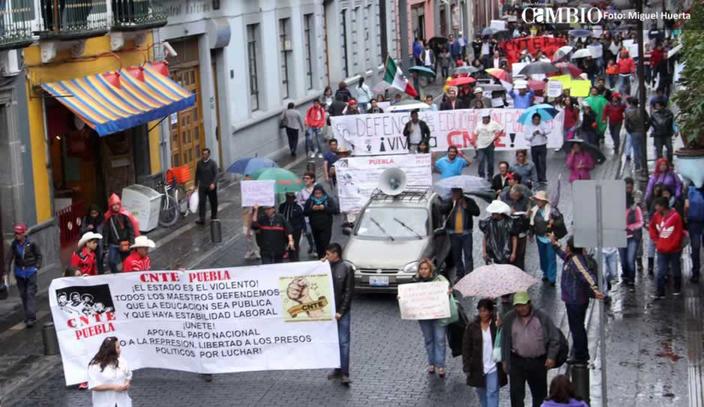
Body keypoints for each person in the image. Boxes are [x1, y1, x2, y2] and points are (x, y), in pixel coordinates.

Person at [501, 291, 563, 407]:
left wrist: (551, 357)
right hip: (517, 361)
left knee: (539, 395)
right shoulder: (509, 318)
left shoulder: (542, 317)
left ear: (529, 303)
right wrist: (505, 359)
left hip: (538, 362)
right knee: (516, 395)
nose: (521, 308)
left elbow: (555, 338)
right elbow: (504, 340)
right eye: (518, 306)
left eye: (524, 305)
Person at [550, 235, 604, 363]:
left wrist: (595, 290)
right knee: (576, 327)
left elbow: (587, 276)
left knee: (577, 328)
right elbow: (563, 255)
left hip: (576, 301)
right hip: (572, 300)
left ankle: (581, 355)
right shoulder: (572, 258)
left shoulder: (576, 261)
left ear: (571, 248)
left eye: (567, 246)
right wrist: (554, 245)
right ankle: (579, 351)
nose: (565, 248)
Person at [408, 259, 450, 377]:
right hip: (424, 316)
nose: (423, 271)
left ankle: (440, 365)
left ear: (430, 269)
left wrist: (448, 292)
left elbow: (448, 289)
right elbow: (410, 298)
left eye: (425, 268)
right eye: (421, 269)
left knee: (440, 339)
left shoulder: (440, 280)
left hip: (439, 315)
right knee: (429, 339)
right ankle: (431, 363)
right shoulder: (415, 283)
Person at [463, 298, 507, 407]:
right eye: (480, 311)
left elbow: (505, 340)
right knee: (481, 392)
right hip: (478, 366)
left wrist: (500, 327)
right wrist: (467, 366)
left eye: (485, 310)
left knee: (492, 392)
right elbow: (466, 347)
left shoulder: (497, 324)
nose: (483, 313)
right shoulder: (472, 326)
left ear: (490, 311)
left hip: (493, 366)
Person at [325, 243, 354, 385]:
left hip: (341, 312)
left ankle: (345, 372)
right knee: (334, 342)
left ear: (336, 254)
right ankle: (337, 369)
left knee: (343, 342)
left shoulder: (347, 269)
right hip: (329, 311)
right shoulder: (325, 267)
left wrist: (341, 311)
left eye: (328, 254)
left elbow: (349, 292)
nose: (326, 256)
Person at [649, 196, 685, 299]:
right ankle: (660, 292)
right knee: (661, 271)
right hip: (662, 249)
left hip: (674, 249)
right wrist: (656, 240)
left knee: (675, 269)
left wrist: (673, 245)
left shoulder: (675, 217)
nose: (655, 207)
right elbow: (652, 228)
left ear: (663, 206)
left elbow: (678, 234)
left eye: (657, 205)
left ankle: (677, 287)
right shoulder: (656, 216)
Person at [441, 188, 480, 281]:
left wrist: (466, 206)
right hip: (453, 233)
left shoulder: (469, 201)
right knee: (456, 255)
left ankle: (469, 275)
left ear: (461, 192)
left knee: (468, 255)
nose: (455, 194)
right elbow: (442, 210)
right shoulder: (449, 201)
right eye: (453, 192)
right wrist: (451, 203)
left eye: (457, 192)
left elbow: (477, 212)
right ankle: (460, 274)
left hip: (466, 233)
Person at [7, 224, 41, 327]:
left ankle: (31, 317)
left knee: (30, 293)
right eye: (15, 233)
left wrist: (37, 266)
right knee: (23, 294)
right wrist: (6, 270)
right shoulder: (14, 244)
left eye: (19, 233)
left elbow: (39, 255)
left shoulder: (32, 243)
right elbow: (9, 257)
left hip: (30, 271)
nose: (17, 235)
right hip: (19, 273)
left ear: (24, 233)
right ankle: (28, 315)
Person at [88, 336, 132, 407]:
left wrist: (127, 383)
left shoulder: (122, 360)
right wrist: (113, 387)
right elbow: (93, 385)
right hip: (104, 403)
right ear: (111, 350)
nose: (120, 350)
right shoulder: (95, 365)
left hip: (122, 402)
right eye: (117, 348)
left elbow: (128, 375)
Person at [529, 191, 559, 285]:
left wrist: (553, 221)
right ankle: (545, 273)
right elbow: (531, 224)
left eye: (539, 200)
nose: (537, 201)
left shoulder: (552, 210)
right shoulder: (534, 210)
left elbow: (559, 223)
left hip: (550, 238)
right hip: (540, 237)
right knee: (543, 257)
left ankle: (552, 278)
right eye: (537, 200)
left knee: (551, 258)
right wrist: (531, 234)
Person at [103, 194, 136, 274]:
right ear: (111, 206)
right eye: (113, 205)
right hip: (113, 244)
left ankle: (125, 276)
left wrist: (131, 242)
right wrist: (105, 243)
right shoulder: (108, 217)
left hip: (124, 243)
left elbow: (130, 229)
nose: (116, 207)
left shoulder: (124, 215)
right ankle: (116, 275)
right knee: (111, 261)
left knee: (126, 262)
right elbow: (106, 231)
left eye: (117, 204)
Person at [304, 185, 338, 259]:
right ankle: (320, 260)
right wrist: (312, 209)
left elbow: (335, 210)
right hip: (315, 227)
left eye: (320, 193)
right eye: (316, 193)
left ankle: (326, 259)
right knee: (318, 244)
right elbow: (305, 212)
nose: (318, 195)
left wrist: (325, 208)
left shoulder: (328, 199)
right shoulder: (310, 201)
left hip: (326, 227)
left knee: (325, 244)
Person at [480, 200, 518, 265]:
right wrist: (484, 252)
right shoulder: (488, 222)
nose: (492, 214)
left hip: (506, 253)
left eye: (494, 212)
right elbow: (485, 237)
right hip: (491, 253)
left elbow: (514, 238)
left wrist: (513, 253)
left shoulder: (509, 222)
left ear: (499, 212)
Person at [621, 190, 644, 286]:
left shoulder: (635, 209)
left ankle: (631, 280)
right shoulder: (617, 209)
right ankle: (625, 276)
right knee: (623, 261)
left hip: (632, 238)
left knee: (630, 260)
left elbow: (640, 222)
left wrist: (630, 227)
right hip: (620, 238)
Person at [473, 111, 504, 180]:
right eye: (484, 118)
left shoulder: (494, 123)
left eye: (486, 118)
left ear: (489, 118)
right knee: (481, 160)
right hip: (480, 145)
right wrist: (474, 142)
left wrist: (497, 136)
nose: (485, 119)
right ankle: (481, 176)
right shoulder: (479, 124)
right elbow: (475, 133)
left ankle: (490, 175)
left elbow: (501, 129)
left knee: (490, 161)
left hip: (490, 144)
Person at [523, 113, 549, 186]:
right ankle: (537, 177)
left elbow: (548, 130)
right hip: (534, 146)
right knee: (535, 162)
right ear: (532, 120)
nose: (536, 121)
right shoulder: (529, 126)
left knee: (543, 161)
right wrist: (533, 134)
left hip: (542, 145)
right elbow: (526, 137)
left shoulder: (543, 124)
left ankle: (543, 177)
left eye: (538, 120)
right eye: (535, 120)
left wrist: (541, 132)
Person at [195, 148, 219, 225]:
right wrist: (195, 185)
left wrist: (213, 183)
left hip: (211, 186)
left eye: (205, 154)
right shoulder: (199, 163)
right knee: (202, 202)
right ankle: (202, 218)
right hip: (202, 186)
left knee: (213, 202)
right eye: (203, 154)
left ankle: (214, 216)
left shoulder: (213, 163)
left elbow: (216, 174)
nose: (204, 155)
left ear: (209, 154)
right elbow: (197, 174)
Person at [278, 192, 305, 261]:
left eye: (291, 198)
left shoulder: (298, 207)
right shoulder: (282, 206)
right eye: (288, 197)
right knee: (285, 245)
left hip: (295, 229)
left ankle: (295, 259)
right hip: (284, 229)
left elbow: (302, 219)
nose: (290, 199)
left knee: (294, 246)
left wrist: (304, 228)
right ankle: (289, 258)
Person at [686, 185, 704, 284]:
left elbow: (686, 206)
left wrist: (685, 217)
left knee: (695, 248)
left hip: (694, 222)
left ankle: (695, 274)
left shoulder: (689, 188)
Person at [296, 172, 317, 258]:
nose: (305, 180)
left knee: (315, 232)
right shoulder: (301, 191)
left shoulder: (316, 189)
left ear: (312, 179)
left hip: (316, 216)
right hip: (306, 216)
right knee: (308, 232)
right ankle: (311, 244)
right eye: (304, 178)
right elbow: (299, 202)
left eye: (307, 178)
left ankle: (315, 249)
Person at [624, 97, 647, 171]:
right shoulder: (642, 110)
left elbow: (626, 124)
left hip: (634, 132)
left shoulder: (627, 111)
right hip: (642, 131)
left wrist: (629, 131)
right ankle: (643, 165)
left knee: (636, 149)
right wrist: (646, 129)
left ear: (631, 103)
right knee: (642, 148)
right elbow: (648, 120)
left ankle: (637, 165)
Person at [81, 204, 105, 274]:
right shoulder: (86, 219)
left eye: (96, 213)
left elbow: (105, 231)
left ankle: (101, 274)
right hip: (89, 243)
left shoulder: (102, 219)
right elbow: (82, 231)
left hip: (99, 242)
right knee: (90, 260)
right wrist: (88, 228)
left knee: (99, 260)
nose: (94, 215)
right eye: (92, 213)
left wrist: (105, 244)